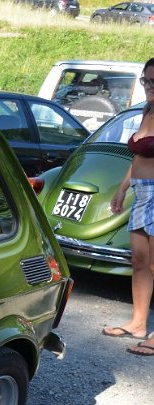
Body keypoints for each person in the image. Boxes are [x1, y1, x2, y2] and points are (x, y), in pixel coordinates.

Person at [102, 57, 154, 356]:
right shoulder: (147, 110)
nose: (148, 86)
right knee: (139, 260)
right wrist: (122, 189)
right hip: (142, 192)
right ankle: (138, 323)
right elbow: (138, 157)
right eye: (146, 80)